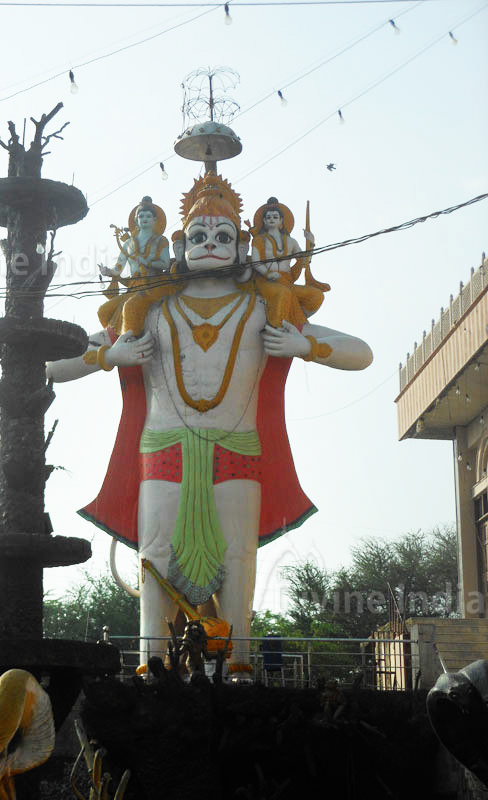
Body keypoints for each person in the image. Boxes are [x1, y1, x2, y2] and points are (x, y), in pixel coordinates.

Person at [46, 172, 373, 675]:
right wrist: (110, 353)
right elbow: (52, 364)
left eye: (223, 236)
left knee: (238, 557)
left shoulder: (266, 306)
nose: (211, 245)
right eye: (199, 236)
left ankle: (236, 666)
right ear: (177, 245)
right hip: (162, 447)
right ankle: (152, 664)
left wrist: (307, 345)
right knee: (154, 557)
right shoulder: (146, 308)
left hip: (236, 447)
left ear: (244, 245)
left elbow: (362, 354)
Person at [98, 196, 171, 336]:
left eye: (148, 216)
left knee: (130, 308)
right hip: (133, 287)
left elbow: (165, 263)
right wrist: (107, 271)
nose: (144, 218)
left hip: (153, 285)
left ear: (155, 220)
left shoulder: (161, 240)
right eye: (141, 216)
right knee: (103, 311)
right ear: (136, 220)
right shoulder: (129, 244)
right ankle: (115, 340)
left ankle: (130, 341)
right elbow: (118, 268)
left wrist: (146, 262)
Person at [250, 197, 327, 329]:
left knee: (316, 295)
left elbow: (304, 260)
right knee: (283, 293)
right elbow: (256, 262)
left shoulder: (291, 242)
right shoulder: (259, 240)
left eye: (275, 216)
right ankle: (275, 329)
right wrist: (268, 274)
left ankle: (296, 320)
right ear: (263, 221)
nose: (271, 219)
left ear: (281, 220)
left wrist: (311, 244)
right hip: (266, 281)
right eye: (268, 217)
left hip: (286, 280)